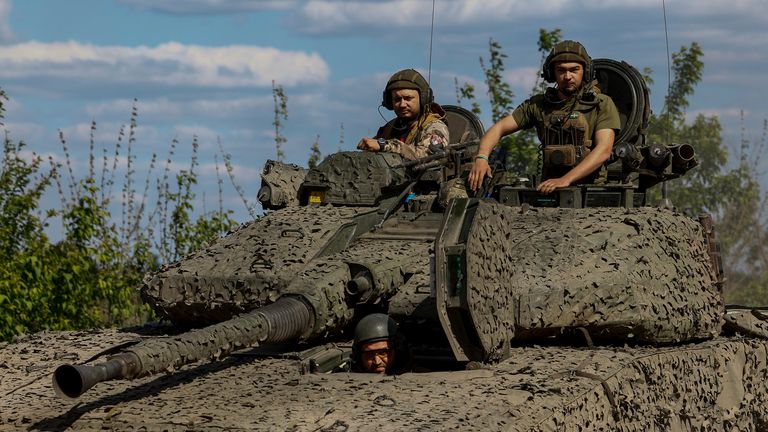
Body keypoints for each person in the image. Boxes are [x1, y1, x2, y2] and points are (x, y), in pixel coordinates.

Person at [468, 40, 621, 194]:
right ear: (551, 73)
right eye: (561, 70)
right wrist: (482, 157)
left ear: (586, 71)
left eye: (574, 70)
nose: (567, 76)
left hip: (591, 190)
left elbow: (604, 149)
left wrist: (565, 180)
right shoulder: (538, 105)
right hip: (548, 188)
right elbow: (499, 128)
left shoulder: (601, 104)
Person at [357, 69, 450, 160]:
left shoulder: (435, 127)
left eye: (408, 98)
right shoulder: (389, 129)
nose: (402, 104)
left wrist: (385, 146)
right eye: (397, 99)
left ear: (423, 99)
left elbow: (428, 154)